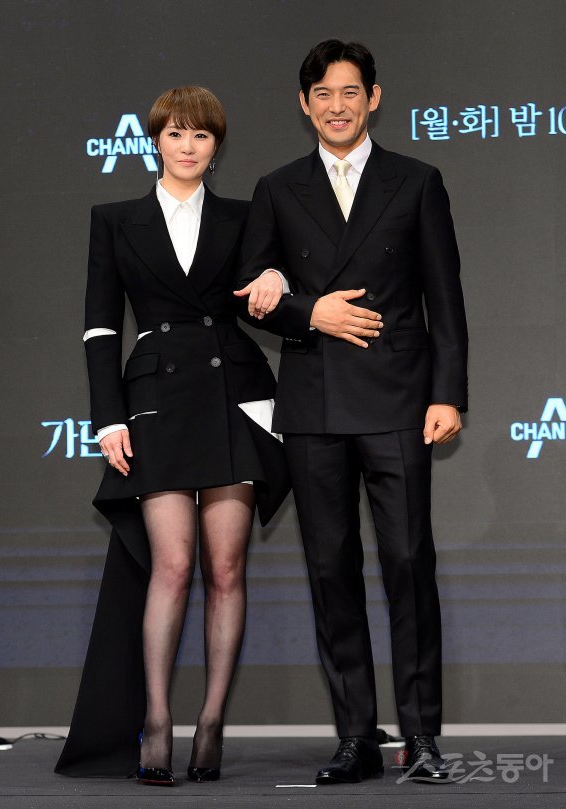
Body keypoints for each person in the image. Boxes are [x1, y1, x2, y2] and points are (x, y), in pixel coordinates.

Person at [235, 40, 468, 784]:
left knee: (407, 561)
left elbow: (445, 298)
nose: (337, 106)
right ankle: (356, 737)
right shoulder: (278, 188)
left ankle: (422, 736)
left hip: (398, 398)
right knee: (330, 569)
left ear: (374, 98)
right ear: (304, 105)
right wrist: (312, 312)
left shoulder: (417, 180)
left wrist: (447, 392)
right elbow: (251, 293)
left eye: (350, 92)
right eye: (323, 94)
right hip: (313, 403)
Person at [55, 86, 289, 785]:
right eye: (176, 133)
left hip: (233, 395)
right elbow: (101, 327)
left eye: (202, 136)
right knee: (174, 566)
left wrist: (276, 272)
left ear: (217, 147)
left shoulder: (244, 216)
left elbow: (272, 285)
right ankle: (156, 719)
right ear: (154, 140)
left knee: (227, 568)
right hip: (156, 400)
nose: (188, 146)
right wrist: (108, 417)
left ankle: (211, 721)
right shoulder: (115, 219)